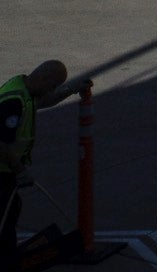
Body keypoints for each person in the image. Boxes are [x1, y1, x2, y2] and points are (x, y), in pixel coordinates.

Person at [2, 61, 91, 270]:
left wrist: (70, 89)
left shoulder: (24, 88)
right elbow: (2, 143)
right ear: (44, 80)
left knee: (11, 209)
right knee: (5, 215)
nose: (51, 91)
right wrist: (20, 170)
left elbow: (44, 100)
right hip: (2, 170)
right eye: (52, 86)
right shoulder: (14, 101)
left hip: (6, 171)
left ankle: (7, 257)